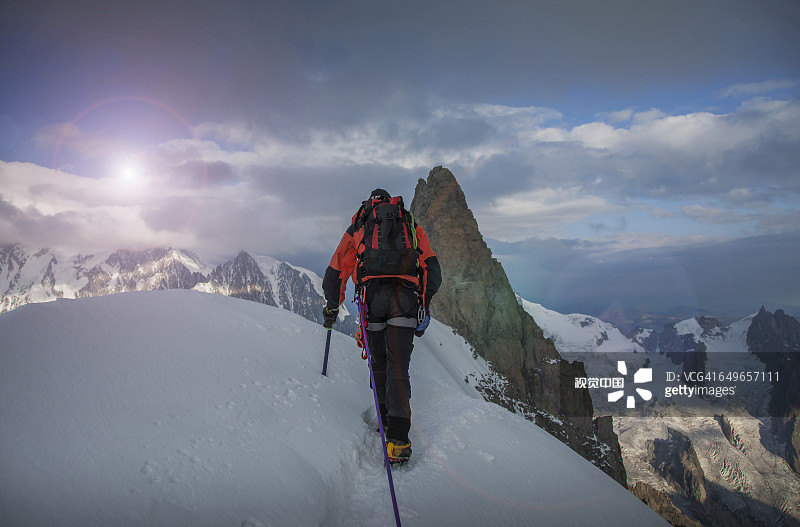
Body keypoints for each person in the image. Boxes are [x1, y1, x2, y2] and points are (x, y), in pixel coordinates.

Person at [322, 188, 441, 464]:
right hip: (406, 298)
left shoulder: (360, 225)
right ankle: (398, 440)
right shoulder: (409, 225)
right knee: (398, 364)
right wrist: (424, 303)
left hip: (372, 298)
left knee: (379, 362)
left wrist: (332, 306)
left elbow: (337, 271)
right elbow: (433, 271)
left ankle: (386, 420)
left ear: (369, 205)